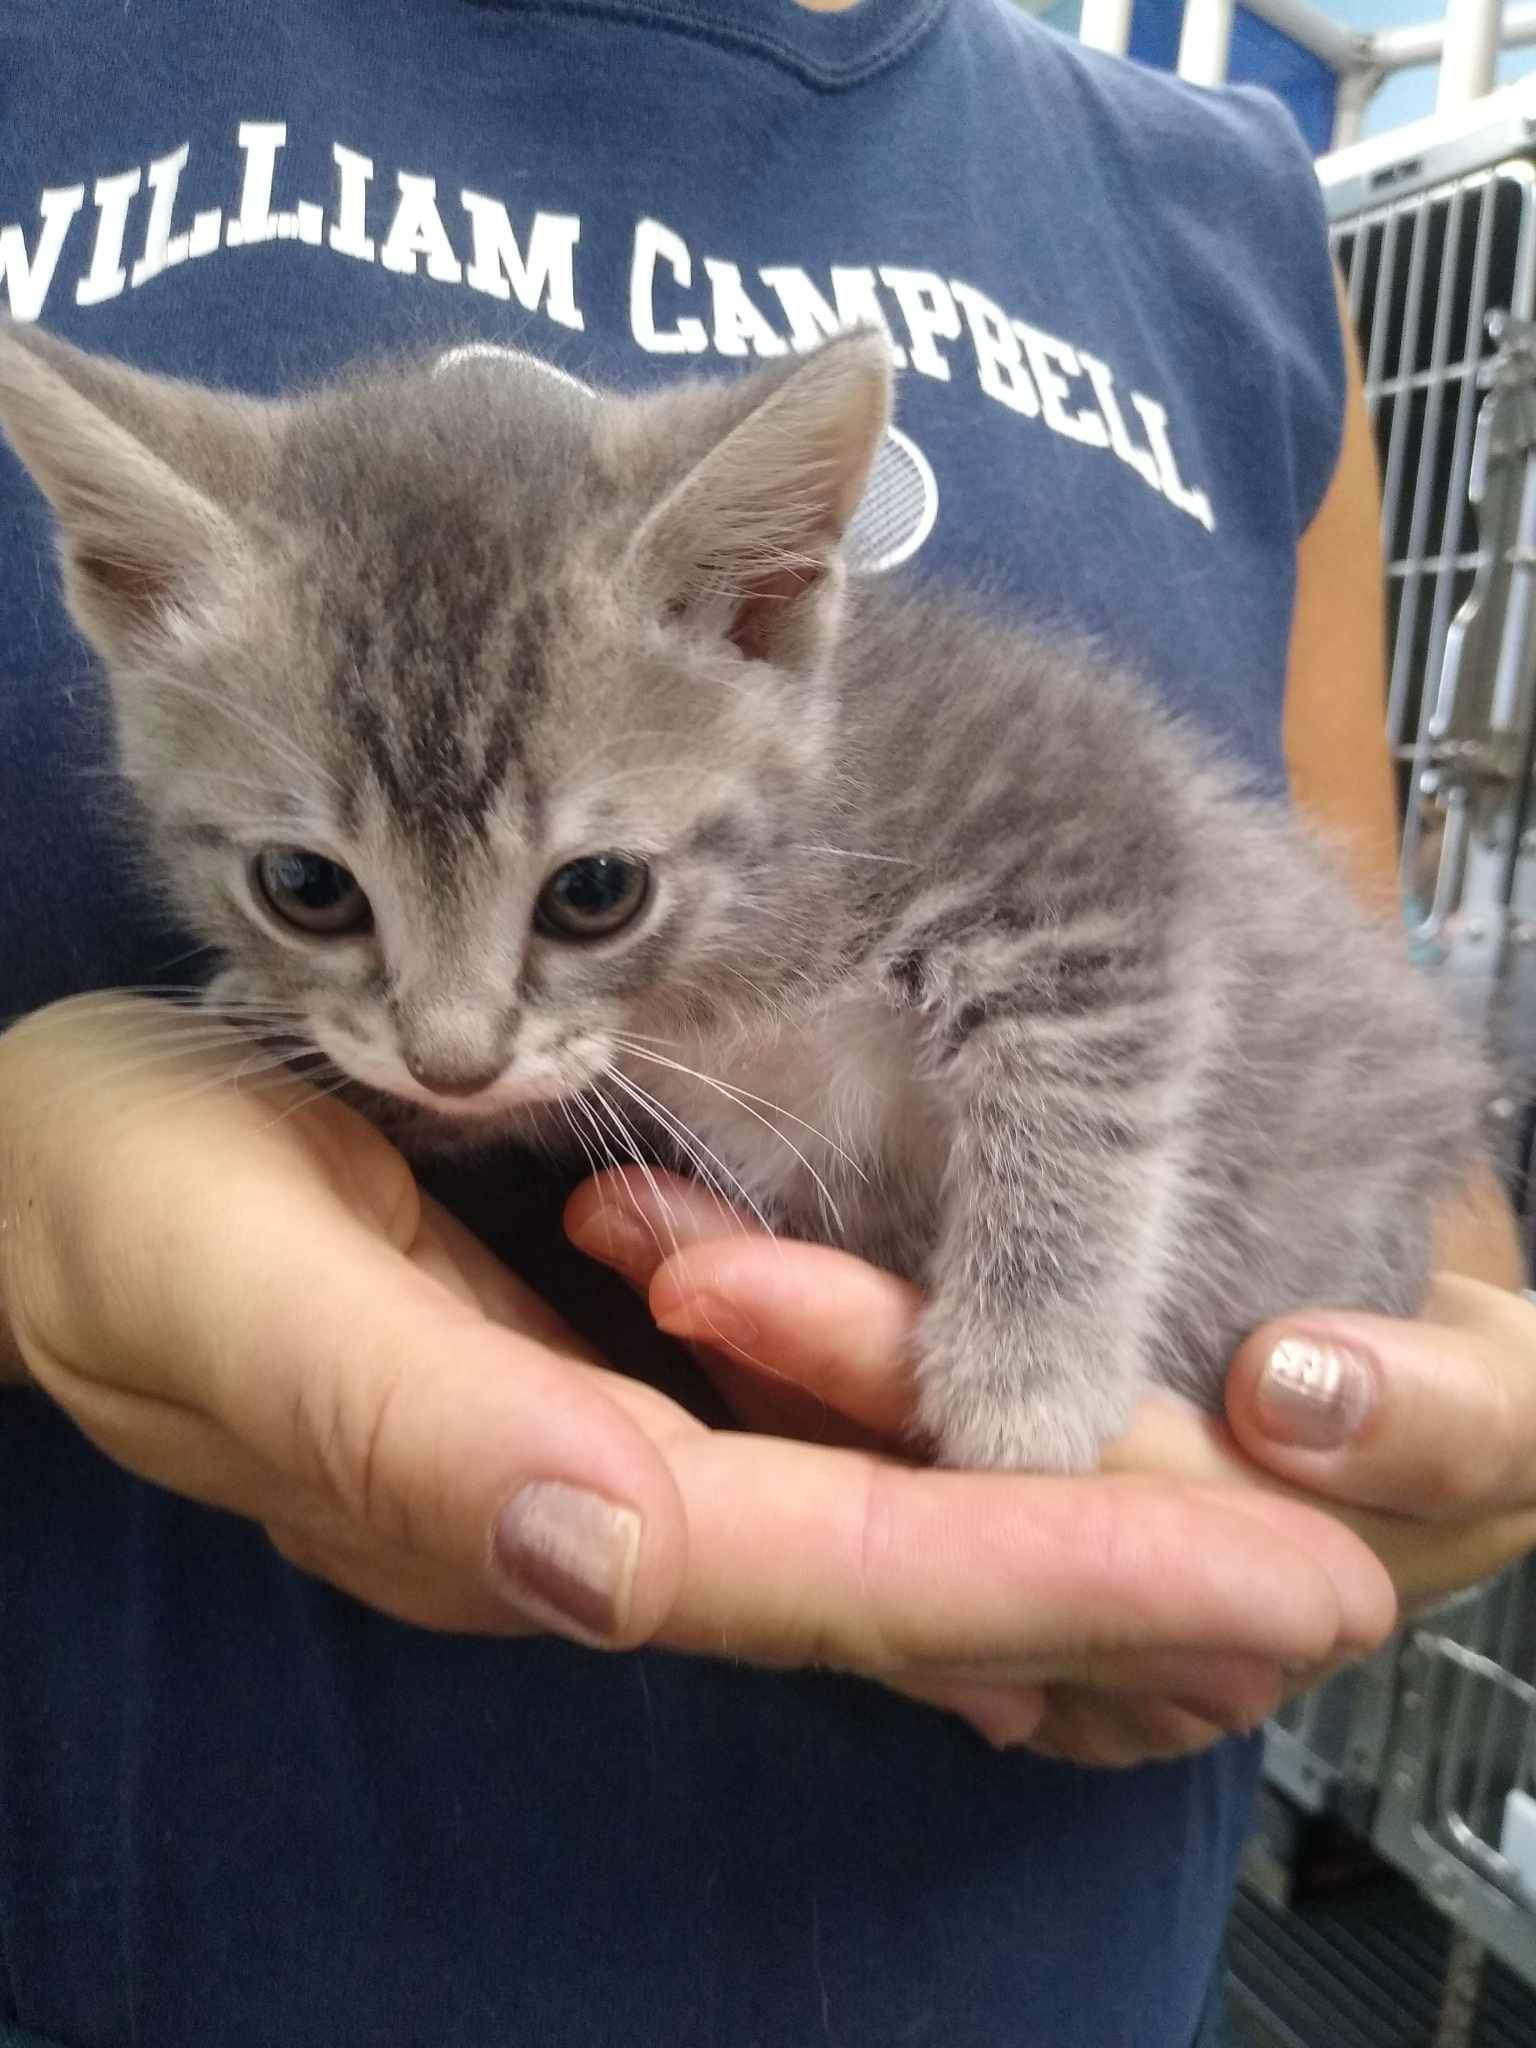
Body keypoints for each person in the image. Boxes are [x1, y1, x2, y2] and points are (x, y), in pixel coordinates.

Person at [0, 3, 1531, 2043]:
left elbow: (1151, 908)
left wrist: (1423, 1436)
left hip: (1036, 1917)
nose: (448, 1052)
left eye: (589, 891)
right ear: (117, 581)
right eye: (310, 885)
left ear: (767, 602)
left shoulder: (1225, 222)